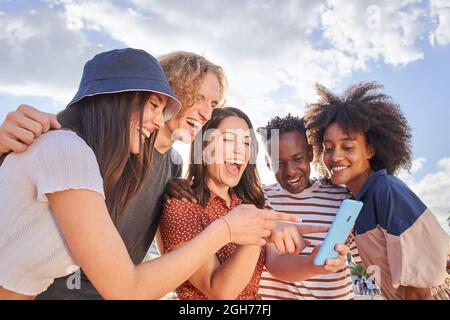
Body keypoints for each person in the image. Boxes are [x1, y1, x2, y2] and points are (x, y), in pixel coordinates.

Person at [0, 49, 290, 300]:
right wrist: (6, 144)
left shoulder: (174, 166)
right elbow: (41, 166)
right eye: (198, 98)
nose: (205, 114)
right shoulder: (110, 144)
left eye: (212, 104)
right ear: (165, 90)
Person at [159, 107, 324, 300]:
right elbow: (219, 290)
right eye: (228, 140)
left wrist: (313, 264)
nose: (240, 150)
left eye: (247, 143)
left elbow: (276, 262)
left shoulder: (248, 204)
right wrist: (259, 232)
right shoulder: (181, 205)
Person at [304, 82, 450, 300]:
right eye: (328, 148)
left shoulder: (385, 191)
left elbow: (417, 288)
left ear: (370, 150)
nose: (335, 157)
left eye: (348, 147)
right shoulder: (358, 201)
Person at [256, 114, 357, 300]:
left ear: (310, 153)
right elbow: (274, 262)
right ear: (267, 162)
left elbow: (370, 257)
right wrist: (312, 264)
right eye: (279, 163)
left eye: (297, 159)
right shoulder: (260, 199)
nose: (291, 171)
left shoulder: (342, 197)